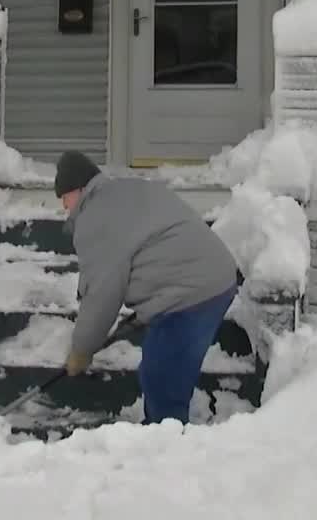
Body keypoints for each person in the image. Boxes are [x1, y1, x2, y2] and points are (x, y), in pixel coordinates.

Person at [53, 150, 240, 425]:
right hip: (213, 278)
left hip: (190, 294)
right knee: (163, 369)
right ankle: (162, 433)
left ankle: (166, 443)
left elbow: (102, 294)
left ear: (79, 189)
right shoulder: (127, 190)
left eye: (64, 197)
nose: (64, 207)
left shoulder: (94, 217)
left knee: (161, 374)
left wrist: (81, 351)